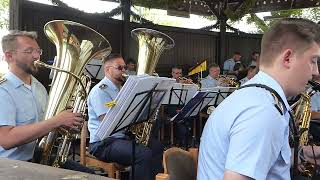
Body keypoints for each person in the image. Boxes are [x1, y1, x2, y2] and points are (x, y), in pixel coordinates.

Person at [197, 18, 320, 180]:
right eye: (313, 61)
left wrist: (302, 154)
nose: (316, 72)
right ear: (288, 58)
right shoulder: (263, 110)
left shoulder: (256, 97)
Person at [0, 31, 84, 162]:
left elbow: (43, 128)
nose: (36, 56)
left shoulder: (39, 87)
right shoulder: (2, 90)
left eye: (38, 51)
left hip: (40, 158)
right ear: (9, 56)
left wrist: (63, 125)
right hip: (13, 165)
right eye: (29, 51)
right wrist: (56, 121)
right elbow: (6, 139)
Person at [87, 53, 163, 180]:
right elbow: (106, 121)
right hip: (103, 143)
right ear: (107, 69)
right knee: (142, 154)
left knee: (157, 147)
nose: (124, 71)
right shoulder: (100, 90)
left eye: (124, 68)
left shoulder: (122, 88)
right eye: (120, 68)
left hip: (122, 138)